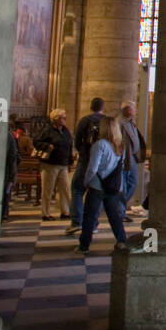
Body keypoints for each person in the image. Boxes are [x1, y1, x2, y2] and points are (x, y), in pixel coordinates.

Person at [77, 114, 132, 254]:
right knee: (114, 216)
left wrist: (86, 181)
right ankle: (121, 241)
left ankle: (84, 246)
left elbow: (93, 167)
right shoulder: (120, 145)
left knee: (90, 216)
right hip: (113, 186)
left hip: (97, 185)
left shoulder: (100, 144)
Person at [67, 97, 105, 236]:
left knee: (77, 189)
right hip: (101, 162)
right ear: (103, 107)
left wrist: (83, 152)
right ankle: (93, 223)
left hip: (85, 158)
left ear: (91, 106)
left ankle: (76, 221)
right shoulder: (107, 121)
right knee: (96, 193)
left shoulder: (84, 120)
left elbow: (77, 141)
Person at [34, 108, 73, 220]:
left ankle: (65, 211)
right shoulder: (47, 130)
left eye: (65, 117)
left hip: (63, 164)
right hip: (50, 164)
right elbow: (36, 142)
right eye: (62, 118)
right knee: (48, 189)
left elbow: (69, 146)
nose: (65, 120)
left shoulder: (65, 131)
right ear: (56, 119)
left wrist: (69, 162)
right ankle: (45, 213)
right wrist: (47, 146)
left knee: (65, 188)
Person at [119, 101, 147, 221]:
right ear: (129, 110)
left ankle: (119, 206)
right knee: (125, 184)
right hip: (125, 159)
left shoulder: (131, 123)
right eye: (134, 109)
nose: (135, 111)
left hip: (133, 159)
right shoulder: (120, 123)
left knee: (133, 183)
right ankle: (120, 210)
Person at [2, 120, 19, 222]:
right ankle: (3, 213)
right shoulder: (9, 137)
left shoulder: (8, 137)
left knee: (5, 192)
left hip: (6, 170)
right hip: (7, 171)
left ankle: (3, 213)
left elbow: (13, 156)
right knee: (5, 193)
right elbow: (13, 157)